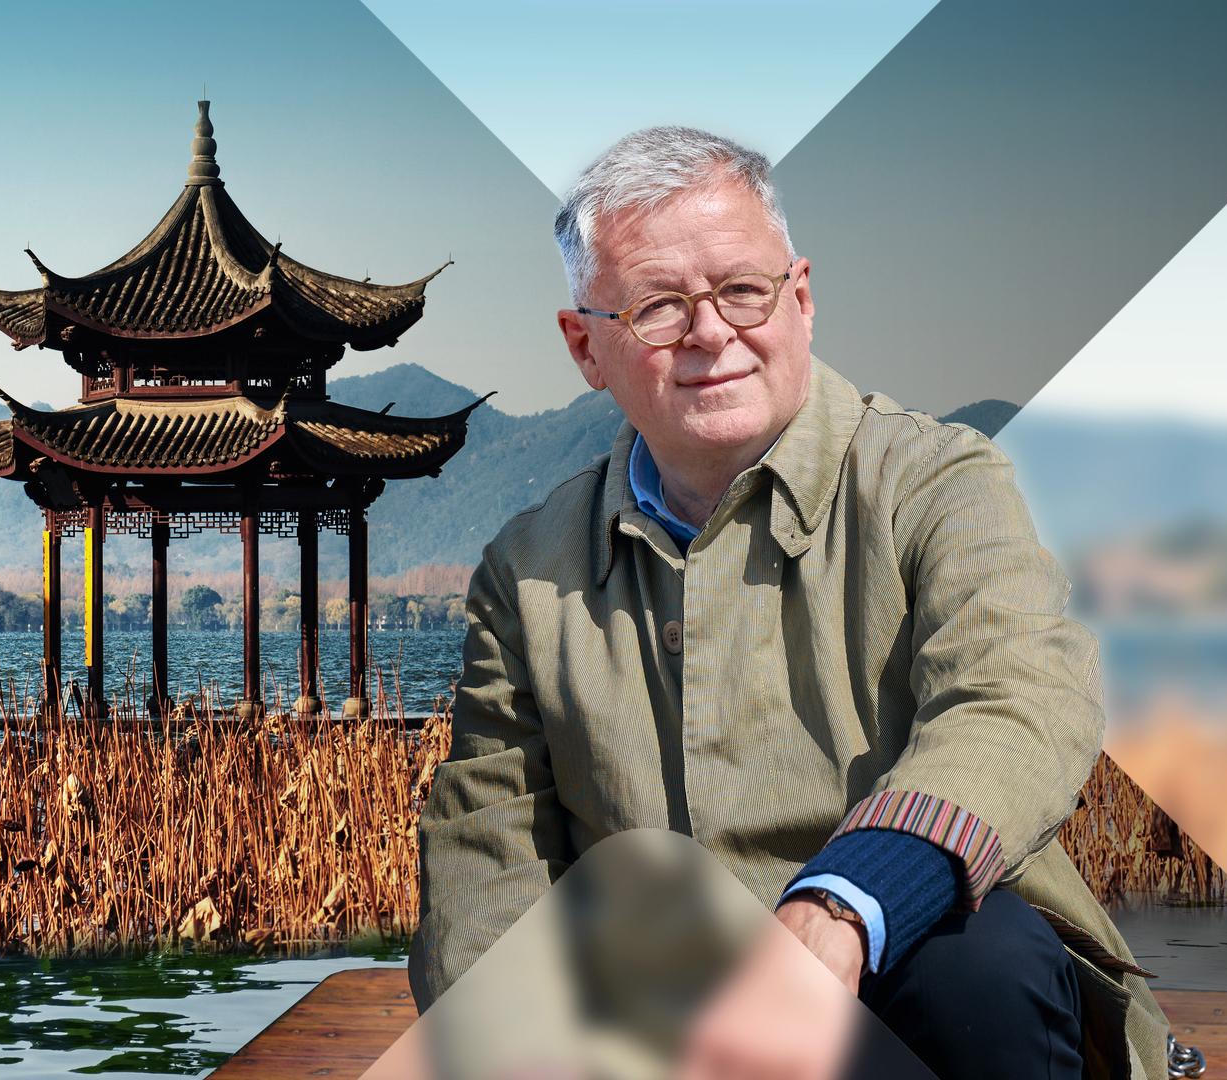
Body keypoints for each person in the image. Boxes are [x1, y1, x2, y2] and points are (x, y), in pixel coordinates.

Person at [411, 126, 1171, 1080]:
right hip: (664, 1015)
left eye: (742, 289)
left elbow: (1020, 703)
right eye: (656, 307)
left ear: (801, 298)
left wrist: (848, 901)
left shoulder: (936, 481)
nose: (711, 332)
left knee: (982, 964)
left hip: (910, 963)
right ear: (585, 347)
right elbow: (489, 846)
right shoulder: (527, 570)